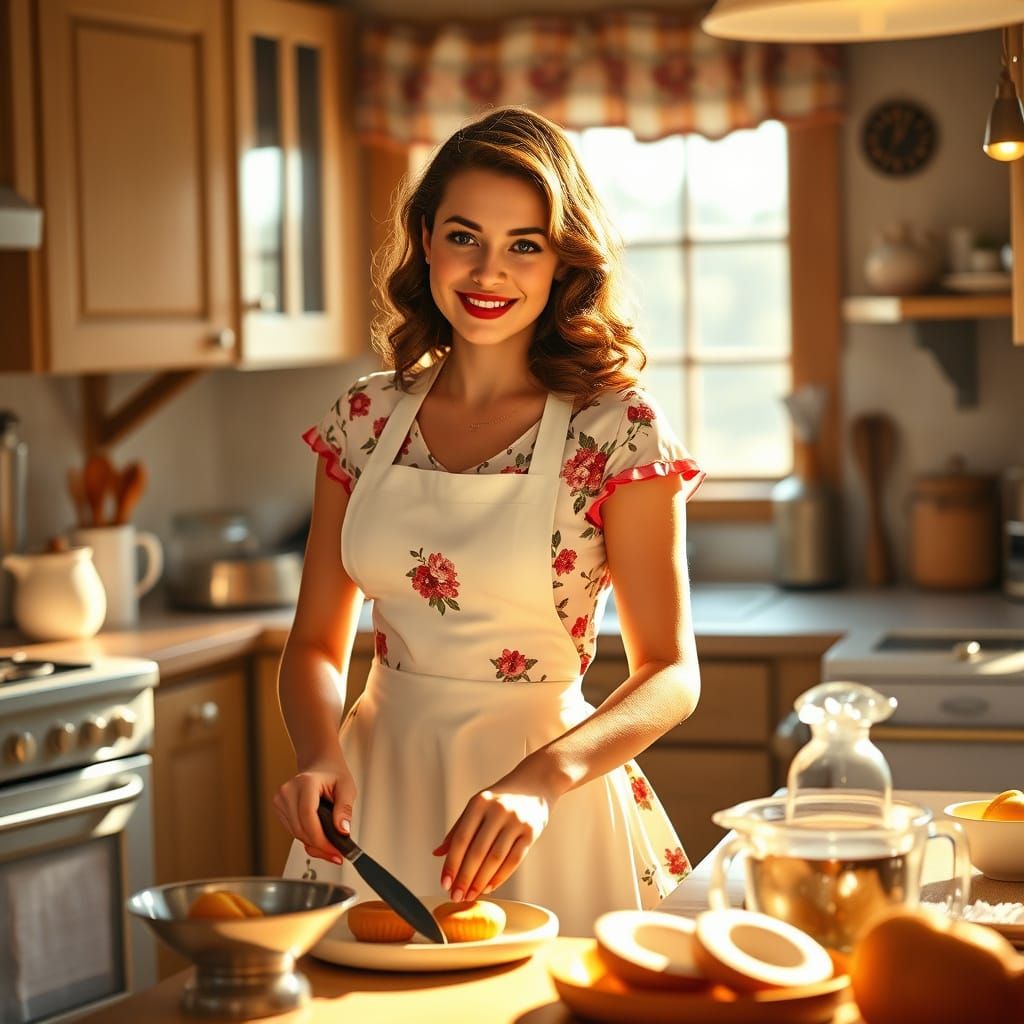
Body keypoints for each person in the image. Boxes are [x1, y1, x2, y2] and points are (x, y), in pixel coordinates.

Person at [274, 106, 705, 938]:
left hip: (546, 803)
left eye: (524, 245)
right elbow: (316, 646)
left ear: (561, 262)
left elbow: (670, 672)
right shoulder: (365, 417)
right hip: (374, 797)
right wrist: (317, 753)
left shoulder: (617, 428)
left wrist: (541, 781)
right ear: (427, 238)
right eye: (465, 236)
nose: (488, 271)